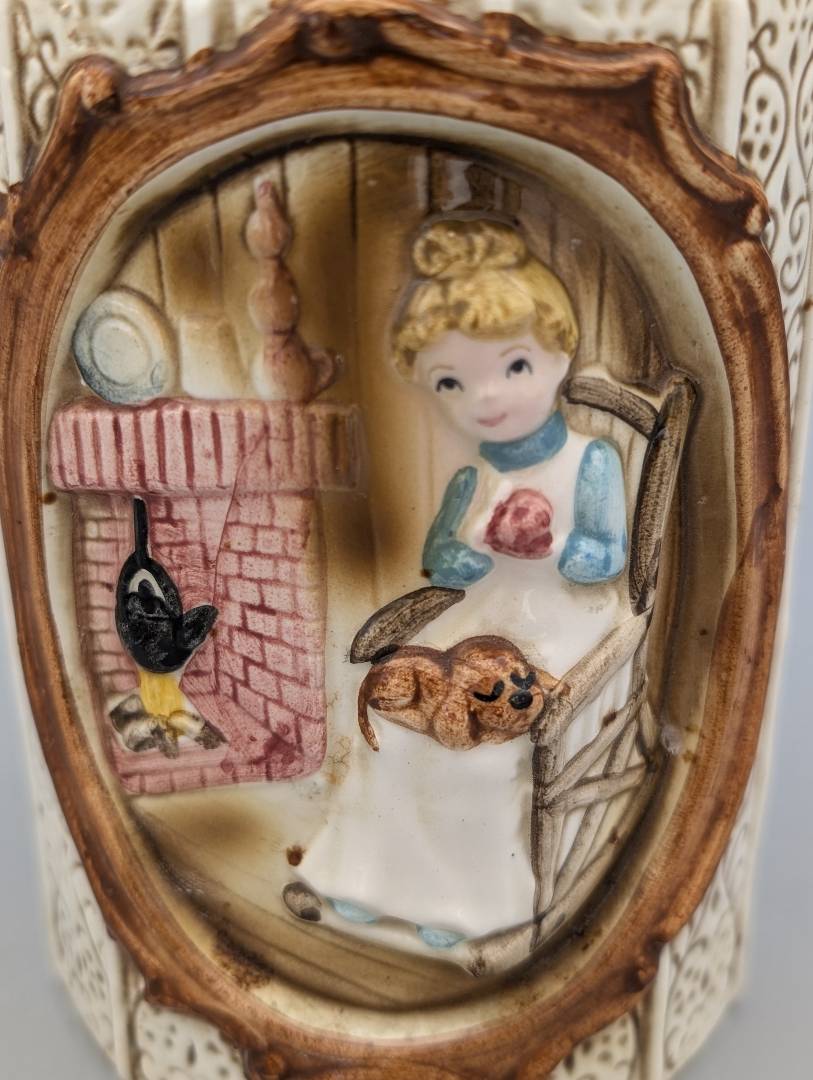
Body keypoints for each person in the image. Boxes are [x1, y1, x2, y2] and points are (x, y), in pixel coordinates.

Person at [292, 218, 632, 955]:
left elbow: (608, 557)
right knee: (396, 725)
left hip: (562, 621)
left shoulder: (589, 461)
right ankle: (369, 878)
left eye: (514, 366)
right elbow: (441, 558)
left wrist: (554, 546)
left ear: (558, 355)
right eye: (452, 381)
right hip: (481, 617)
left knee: (478, 755)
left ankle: (464, 901)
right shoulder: (475, 475)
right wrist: (472, 551)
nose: (486, 398)